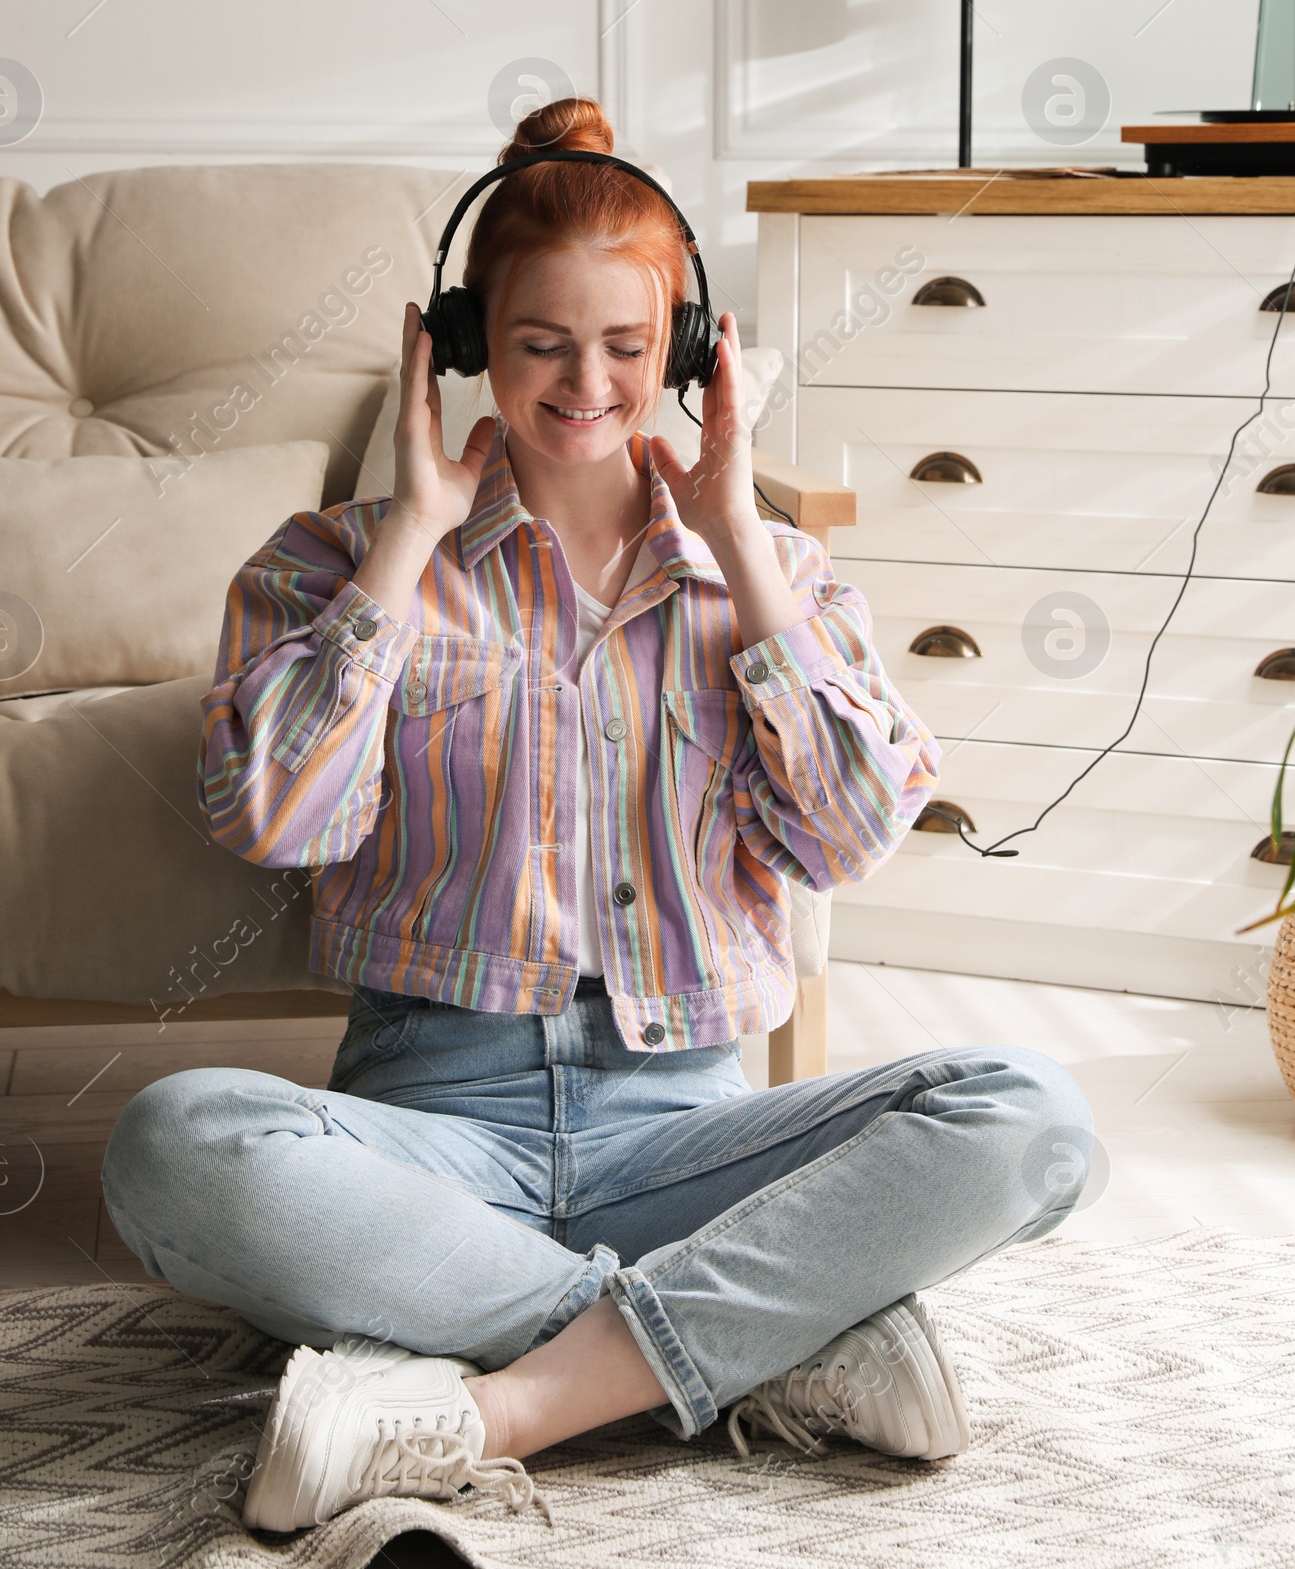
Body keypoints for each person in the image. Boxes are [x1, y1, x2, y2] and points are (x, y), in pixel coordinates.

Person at [101, 97, 1093, 1533]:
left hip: (685, 1132)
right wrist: (405, 549)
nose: (585, 383)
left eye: (628, 346)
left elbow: (856, 836)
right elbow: (273, 818)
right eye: (540, 343)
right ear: (463, 345)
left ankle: (510, 1398)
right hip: (432, 1130)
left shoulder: (775, 578)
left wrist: (740, 537)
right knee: (168, 1147)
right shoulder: (331, 565)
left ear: (689, 352)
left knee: (1032, 1117)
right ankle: (768, 1346)